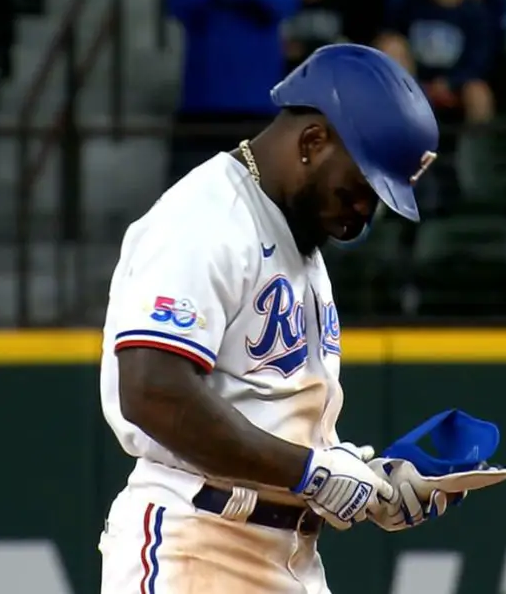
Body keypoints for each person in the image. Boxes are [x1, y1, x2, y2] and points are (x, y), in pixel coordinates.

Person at [98, 44, 446, 593]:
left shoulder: (295, 236)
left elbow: (268, 410)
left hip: (286, 556)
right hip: (199, 545)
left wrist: (362, 478)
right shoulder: (205, 217)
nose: (365, 210)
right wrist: (312, 473)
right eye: (360, 188)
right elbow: (151, 390)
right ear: (313, 142)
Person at [166, 0, 300, 187]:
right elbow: (177, 6)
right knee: (193, 196)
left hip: (257, 106)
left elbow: (284, 5)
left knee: (260, 200)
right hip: (201, 104)